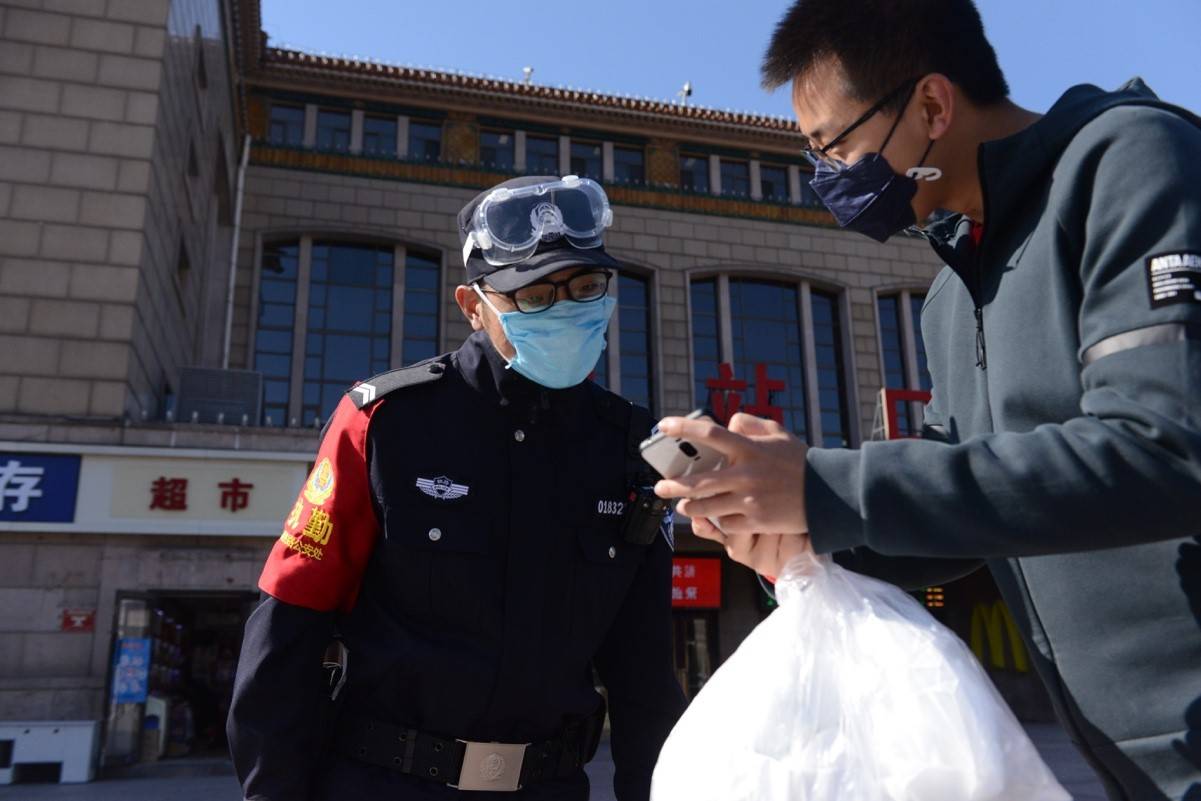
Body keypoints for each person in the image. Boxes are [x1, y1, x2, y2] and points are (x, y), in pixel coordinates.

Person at [653, 2, 1201, 799]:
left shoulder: (1130, 159)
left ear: (932, 106)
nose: (827, 178)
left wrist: (823, 486)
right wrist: (801, 529)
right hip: (1128, 767)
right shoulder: (950, 294)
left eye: (833, 144)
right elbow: (958, 519)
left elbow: (1164, 447)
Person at [228, 175, 685, 801]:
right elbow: (288, 629)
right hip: (383, 783)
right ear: (473, 305)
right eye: (534, 294)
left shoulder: (633, 448)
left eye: (585, 287)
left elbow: (645, 675)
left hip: (550, 785)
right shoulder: (384, 423)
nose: (567, 308)